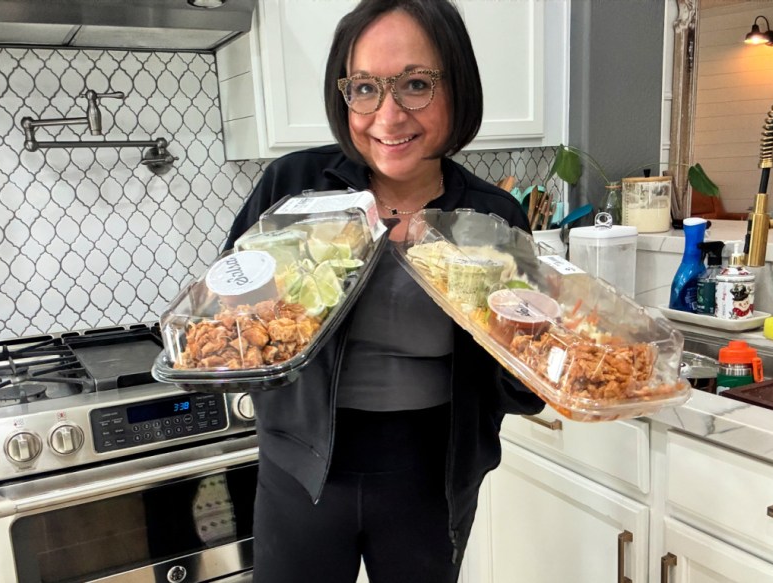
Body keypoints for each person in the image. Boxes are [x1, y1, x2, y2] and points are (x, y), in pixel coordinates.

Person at [224, 1, 544, 581]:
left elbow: (518, 380)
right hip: (300, 465)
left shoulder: (493, 219)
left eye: (416, 84)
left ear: (458, 87)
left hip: (432, 476)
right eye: (365, 88)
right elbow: (229, 310)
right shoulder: (292, 187)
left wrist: (546, 358)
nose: (388, 116)